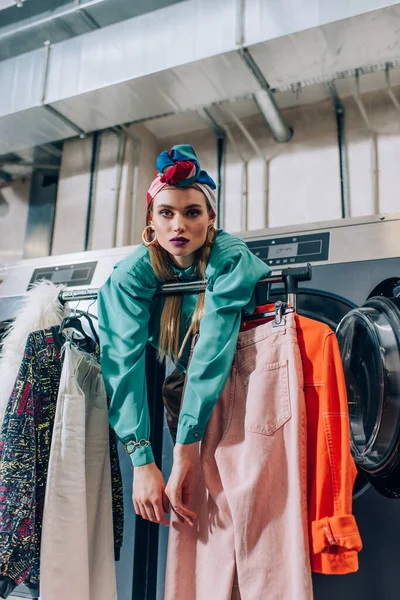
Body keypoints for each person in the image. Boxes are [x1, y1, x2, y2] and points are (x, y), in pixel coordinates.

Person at [98, 144, 270, 527]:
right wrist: (142, 461)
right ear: (151, 221)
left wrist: (184, 451)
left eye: (192, 212)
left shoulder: (229, 258)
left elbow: (211, 349)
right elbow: (122, 365)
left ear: (211, 218)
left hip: (242, 380)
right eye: (167, 213)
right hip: (183, 381)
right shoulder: (131, 276)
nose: (178, 225)